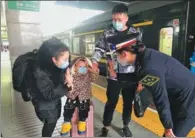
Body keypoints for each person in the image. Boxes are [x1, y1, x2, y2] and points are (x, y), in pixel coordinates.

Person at [107, 33, 195, 137]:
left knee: (173, 134)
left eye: (116, 55)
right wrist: (117, 76)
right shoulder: (145, 56)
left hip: (190, 102)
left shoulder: (149, 67)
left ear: (124, 54)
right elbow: (139, 76)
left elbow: (161, 98)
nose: (117, 59)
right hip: (179, 97)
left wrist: (167, 126)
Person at [91, 3, 143, 137]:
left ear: (126, 18)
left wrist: (141, 79)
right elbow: (99, 49)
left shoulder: (135, 33)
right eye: (114, 19)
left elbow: (140, 55)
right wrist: (95, 62)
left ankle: (126, 125)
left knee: (128, 103)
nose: (116, 22)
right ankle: (106, 126)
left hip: (131, 76)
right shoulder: (107, 32)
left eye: (119, 20)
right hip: (114, 75)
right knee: (111, 102)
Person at [27, 38, 73, 137]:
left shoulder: (54, 66)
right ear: (53, 59)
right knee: (49, 126)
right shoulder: (39, 72)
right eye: (65, 59)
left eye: (68, 58)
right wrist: (68, 85)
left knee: (52, 122)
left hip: (52, 105)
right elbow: (49, 94)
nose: (67, 62)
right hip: (46, 107)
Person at [60, 57, 99, 136]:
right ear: (75, 66)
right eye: (80, 67)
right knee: (68, 108)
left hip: (84, 96)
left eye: (85, 67)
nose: (83, 69)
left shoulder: (88, 74)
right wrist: (67, 80)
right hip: (72, 96)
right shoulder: (71, 74)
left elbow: (94, 78)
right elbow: (66, 83)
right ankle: (66, 124)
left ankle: (82, 123)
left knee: (84, 109)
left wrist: (94, 71)